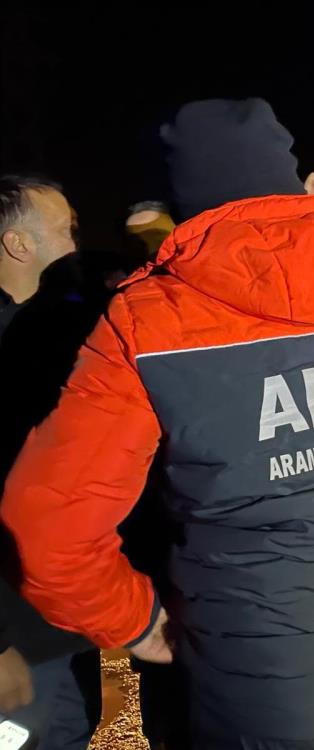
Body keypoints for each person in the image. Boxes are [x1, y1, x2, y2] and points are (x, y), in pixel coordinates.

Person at [1, 98, 314, 750]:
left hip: (260, 690)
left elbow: (50, 527)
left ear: (182, 199)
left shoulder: (148, 320)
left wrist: (136, 622)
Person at [0, 174, 103, 749]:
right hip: (15, 643)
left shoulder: (67, 329)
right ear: (19, 244)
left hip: (68, 622)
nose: (75, 244)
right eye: (66, 230)